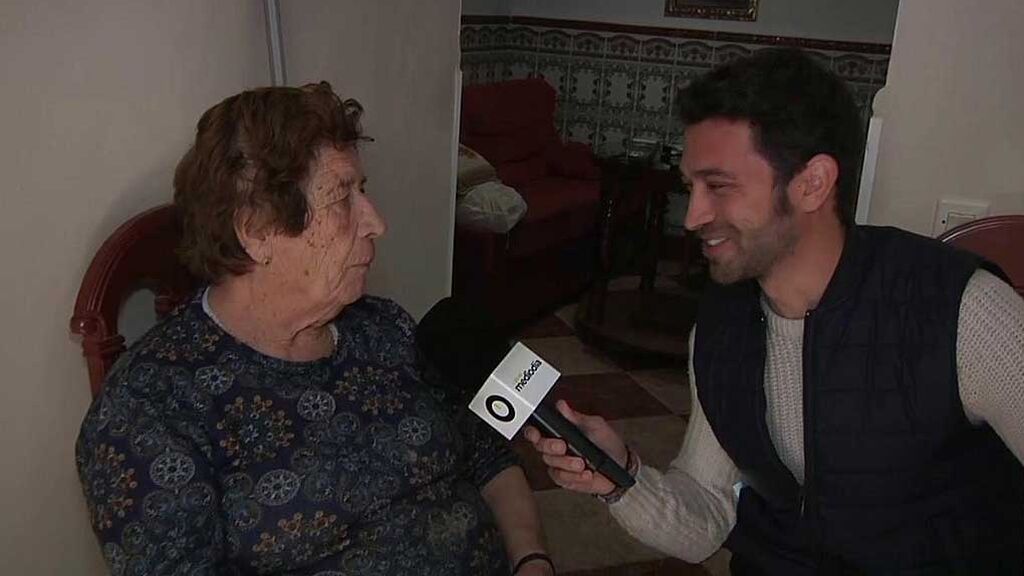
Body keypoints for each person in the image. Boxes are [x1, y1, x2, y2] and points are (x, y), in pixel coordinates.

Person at [526, 48, 1024, 574]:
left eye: (718, 186)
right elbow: (706, 517)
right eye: (690, 188)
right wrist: (621, 476)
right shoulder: (721, 325)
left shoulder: (958, 309)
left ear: (812, 184)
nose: (693, 216)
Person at [76, 82, 555, 576]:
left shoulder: (384, 328)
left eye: (362, 191)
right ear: (257, 230)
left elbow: (485, 453)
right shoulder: (149, 406)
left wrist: (532, 559)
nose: (376, 222)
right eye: (342, 198)